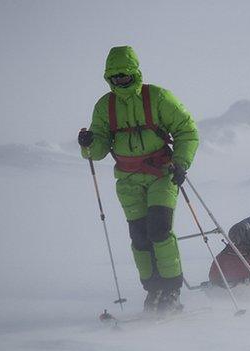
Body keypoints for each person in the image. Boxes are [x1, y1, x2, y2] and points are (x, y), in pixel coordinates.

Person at [78, 46, 199, 313]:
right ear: (108, 77)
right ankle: (153, 291)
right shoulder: (104, 106)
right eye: (115, 77)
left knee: (159, 230)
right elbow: (97, 151)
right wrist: (88, 144)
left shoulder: (157, 97)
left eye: (124, 75)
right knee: (140, 238)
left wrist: (181, 162)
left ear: (135, 73)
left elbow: (187, 130)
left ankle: (172, 291)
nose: (120, 81)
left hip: (161, 174)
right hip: (128, 180)